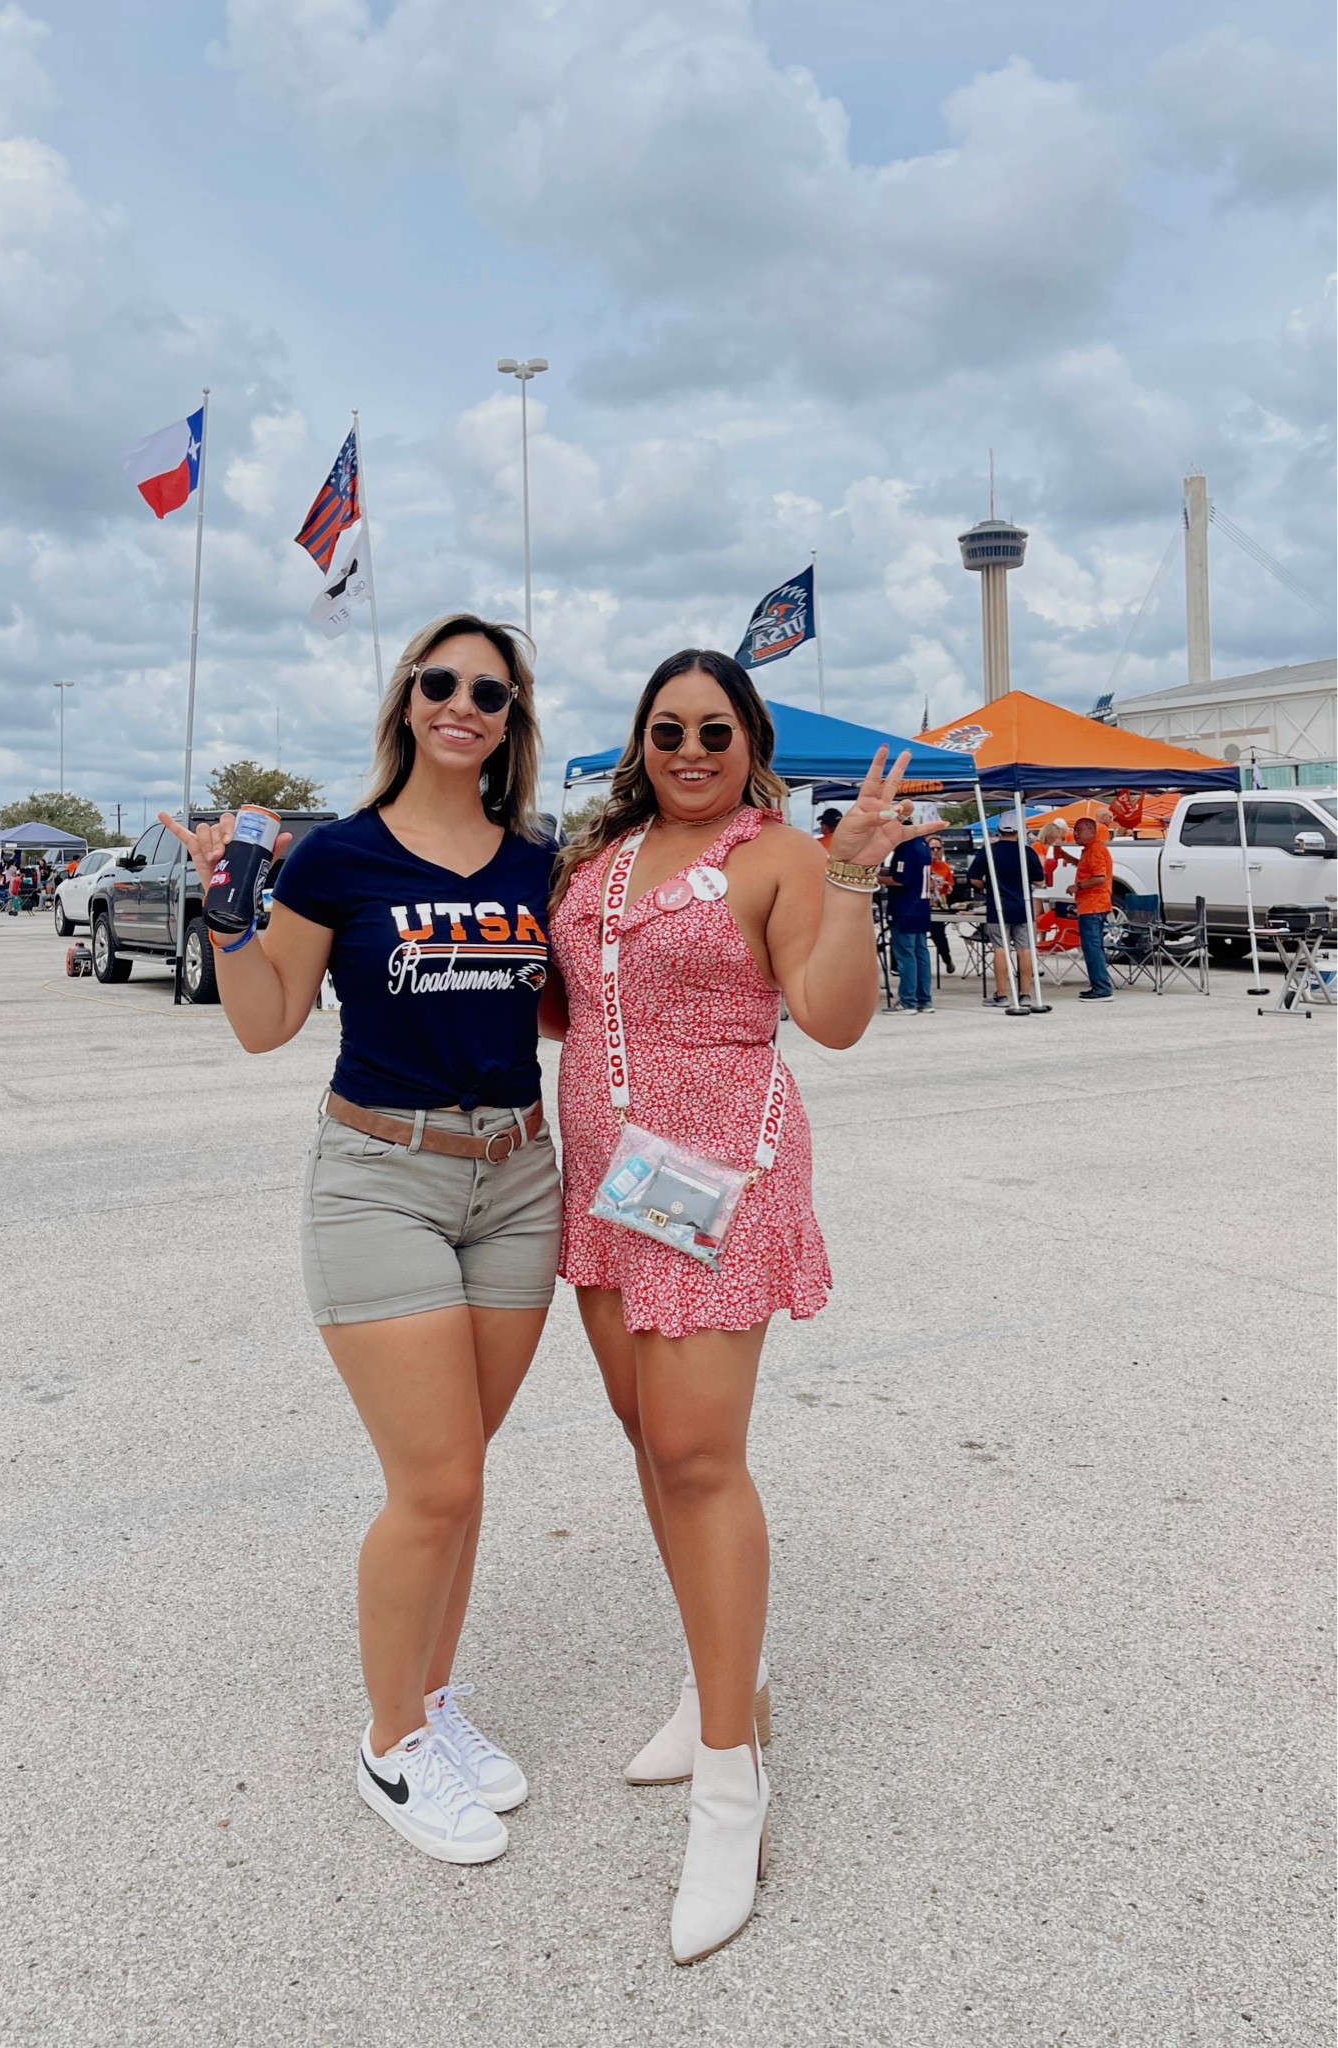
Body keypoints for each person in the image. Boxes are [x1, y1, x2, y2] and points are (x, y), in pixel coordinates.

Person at [160, 613, 562, 1867]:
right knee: (431, 1480)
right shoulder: (337, 855)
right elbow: (266, 1020)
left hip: (516, 1180)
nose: (462, 703)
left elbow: (567, 1007)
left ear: (510, 719)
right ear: (404, 702)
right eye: (438, 682)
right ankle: (390, 1744)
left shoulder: (535, 865)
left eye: (487, 691)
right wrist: (230, 914)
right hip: (379, 1178)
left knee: (466, 1473)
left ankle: (433, 1704)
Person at [546, 648, 929, 1963]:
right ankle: (735, 1684)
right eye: (668, 728)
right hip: (604, 1177)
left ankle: (730, 1788)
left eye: (716, 728)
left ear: (749, 736)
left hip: (714, 1170)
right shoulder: (598, 861)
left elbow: (830, 1018)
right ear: (640, 740)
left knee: (701, 1457)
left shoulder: (776, 855)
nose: (691, 747)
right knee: (654, 1445)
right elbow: (559, 1006)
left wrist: (857, 872)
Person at [966, 815, 1043, 1010]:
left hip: (998, 906)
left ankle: (1001, 995)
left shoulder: (988, 852)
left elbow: (973, 878)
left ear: (999, 832)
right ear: (1018, 832)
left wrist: (987, 887)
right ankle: (1025, 993)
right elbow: (1039, 881)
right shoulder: (1027, 852)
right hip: (1023, 906)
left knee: (1000, 948)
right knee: (1024, 949)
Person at [880, 817, 942, 1012]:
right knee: (920, 954)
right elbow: (909, 872)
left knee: (906, 955)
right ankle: (924, 999)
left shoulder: (905, 847)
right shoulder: (923, 845)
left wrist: (876, 878)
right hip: (921, 908)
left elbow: (901, 879)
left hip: (905, 908)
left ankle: (908, 1000)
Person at [1063, 814, 1114, 1002]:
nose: (1075, 834)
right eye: (1074, 830)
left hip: (1093, 905)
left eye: (1079, 830)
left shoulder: (1095, 850)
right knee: (1092, 946)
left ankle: (1101, 988)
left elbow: (1100, 877)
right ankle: (1098, 985)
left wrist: (1078, 886)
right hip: (1091, 905)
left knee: (1092, 947)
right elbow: (1089, 869)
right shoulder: (1089, 850)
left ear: (1092, 831)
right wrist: (1070, 858)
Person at [926, 836, 956, 975]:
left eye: (938, 848)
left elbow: (950, 887)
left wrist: (947, 887)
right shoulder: (921, 864)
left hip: (938, 905)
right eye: (932, 848)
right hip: (922, 903)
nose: (936, 851)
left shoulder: (944, 866)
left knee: (939, 935)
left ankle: (947, 959)